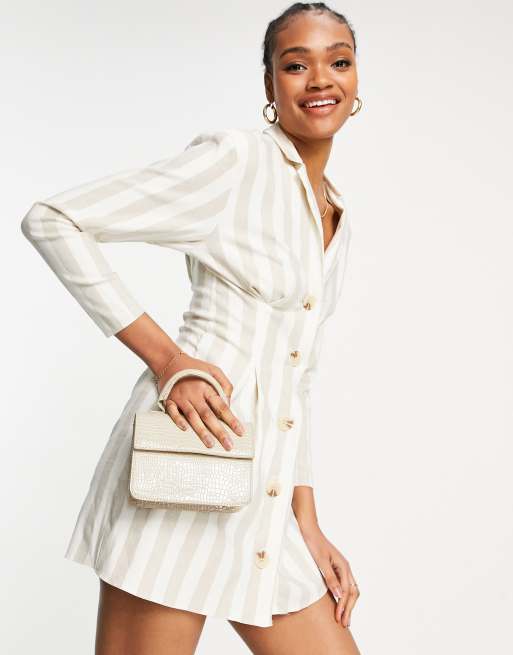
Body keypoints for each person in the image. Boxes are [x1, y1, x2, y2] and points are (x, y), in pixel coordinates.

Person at [20, 3, 363, 653]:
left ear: (355, 78)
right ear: (270, 85)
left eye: (338, 61)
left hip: (265, 505)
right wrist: (167, 359)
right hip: (183, 472)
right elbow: (53, 220)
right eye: (296, 65)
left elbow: (296, 381)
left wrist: (306, 522)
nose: (320, 79)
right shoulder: (237, 163)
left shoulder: (334, 213)